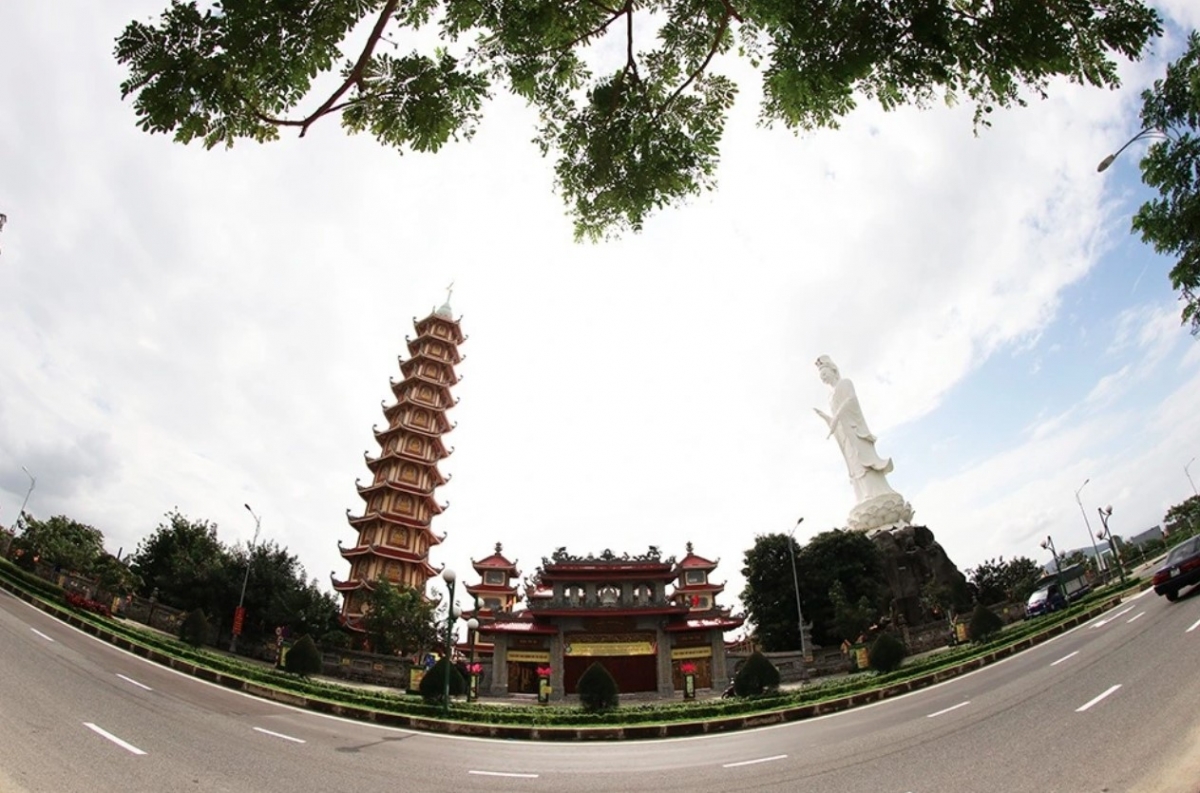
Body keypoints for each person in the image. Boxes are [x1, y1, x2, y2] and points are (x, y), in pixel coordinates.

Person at [814, 356, 897, 504]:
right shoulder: (830, 397)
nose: (823, 378)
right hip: (845, 436)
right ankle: (863, 495)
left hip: (854, 430)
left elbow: (851, 399)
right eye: (821, 377)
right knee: (854, 466)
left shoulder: (845, 383)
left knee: (864, 462)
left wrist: (837, 416)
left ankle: (877, 492)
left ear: (833, 370)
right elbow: (836, 422)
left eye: (824, 374)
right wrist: (826, 418)